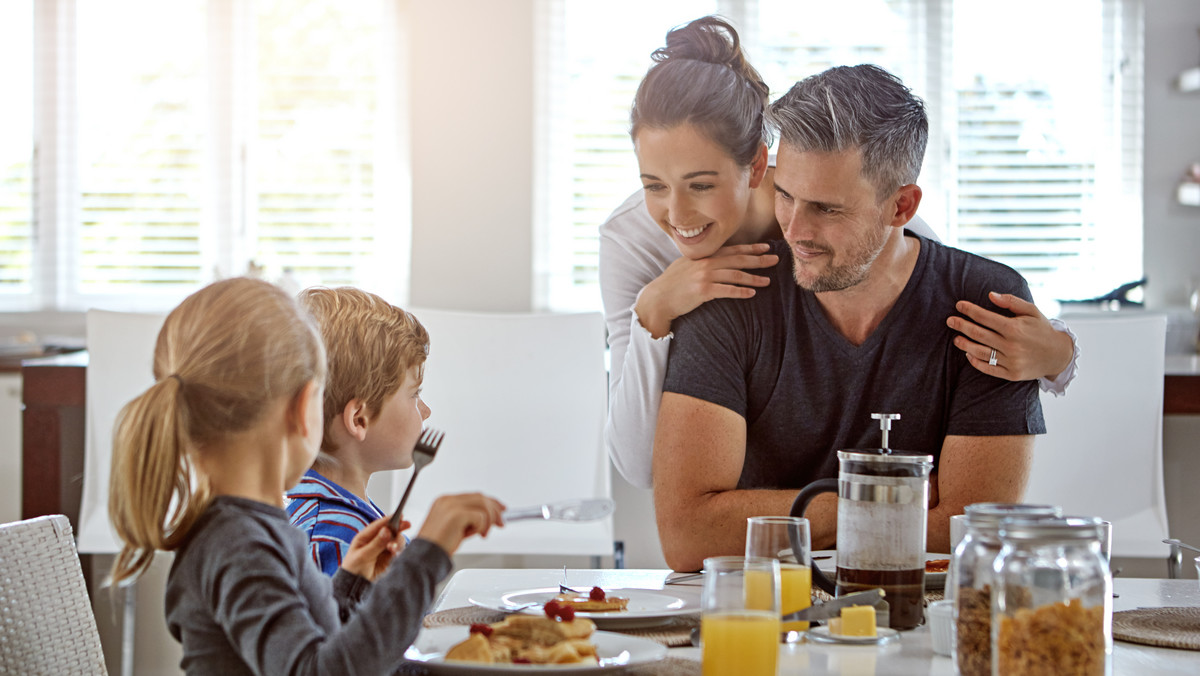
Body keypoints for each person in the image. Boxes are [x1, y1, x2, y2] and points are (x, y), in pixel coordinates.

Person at [598, 16, 1076, 491]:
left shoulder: (836, 193)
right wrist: (653, 311)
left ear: (758, 163)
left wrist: (1059, 354)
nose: (677, 213)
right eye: (653, 185)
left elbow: (928, 277)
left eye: (701, 184)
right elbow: (639, 468)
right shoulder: (632, 240)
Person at [652, 64, 1046, 572]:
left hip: (921, 619)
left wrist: (772, 518)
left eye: (827, 210)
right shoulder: (730, 295)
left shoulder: (985, 305)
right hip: (769, 616)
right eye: (786, 196)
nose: (795, 229)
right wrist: (882, 504)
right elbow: (688, 536)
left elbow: (976, 532)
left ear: (901, 206)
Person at [107, 277, 506, 674]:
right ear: (302, 409)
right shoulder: (240, 545)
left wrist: (350, 585)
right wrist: (425, 557)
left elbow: (312, 646)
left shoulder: (248, 531)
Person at [285, 286, 431, 576]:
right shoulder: (331, 536)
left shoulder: (349, 516)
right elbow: (343, 623)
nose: (426, 411)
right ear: (359, 419)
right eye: (414, 395)